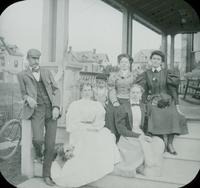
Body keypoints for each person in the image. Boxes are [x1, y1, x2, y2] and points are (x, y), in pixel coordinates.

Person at [51, 83, 121, 187]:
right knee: (86, 139)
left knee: (105, 136)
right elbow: (72, 122)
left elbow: (100, 121)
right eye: (85, 90)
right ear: (81, 92)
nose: (87, 92)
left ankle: (97, 165)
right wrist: (83, 128)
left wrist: (94, 127)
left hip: (92, 128)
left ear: (92, 92)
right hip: (79, 130)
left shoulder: (97, 105)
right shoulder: (75, 104)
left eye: (89, 90)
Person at [17, 49, 60, 186]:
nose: (36, 61)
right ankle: (39, 154)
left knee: (50, 144)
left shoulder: (46, 72)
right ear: (28, 59)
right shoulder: (22, 75)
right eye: (33, 58)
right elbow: (23, 93)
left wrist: (56, 107)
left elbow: (56, 89)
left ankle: (46, 175)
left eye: (37, 58)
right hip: (36, 110)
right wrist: (28, 98)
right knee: (37, 139)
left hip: (51, 110)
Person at [136, 50, 188, 155]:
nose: (156, 61)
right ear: (151, 60)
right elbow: (143, 91)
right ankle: (161, 142)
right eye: (154, 58)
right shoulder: (146, 74)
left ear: (161, 62)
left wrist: (176, 103)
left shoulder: (167, 73)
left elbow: (173, 90)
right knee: (153, 111)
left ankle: (170, 143)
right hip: (153, 99)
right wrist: (144, 102)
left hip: (166, 98)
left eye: (158, 59)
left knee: (172, 112)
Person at [114, 84, 165, 177]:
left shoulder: (144, 107)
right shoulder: (122, 108)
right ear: (129, 94)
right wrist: (138, 136)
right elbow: (121, 129)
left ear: (141, 95)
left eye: (137, 92)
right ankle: (138, 166)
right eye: (133, 92)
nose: (135, 94)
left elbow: (147, 124)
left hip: (141, 133)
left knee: (158, 142)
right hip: (128, 135)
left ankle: (146, 166)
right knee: (140, 144)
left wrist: (148, 135)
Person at [106, 53, 137, 142]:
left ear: (129, 64)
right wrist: (115, 101)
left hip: (129, 100)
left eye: (126, 62)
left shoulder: (134, 76)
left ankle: (127, 138)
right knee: (112, 112)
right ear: (119, 64)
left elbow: (135, 89)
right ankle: (114, 137)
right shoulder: (114, 76)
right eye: (122, 62)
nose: (124, 64)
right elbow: (111, 89)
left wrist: (132, 100)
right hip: (117, 99)